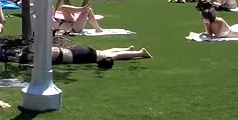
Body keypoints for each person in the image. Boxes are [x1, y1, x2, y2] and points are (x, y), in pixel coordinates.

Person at [19, 43, 151, 68]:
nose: (33, 60)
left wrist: (31, 64)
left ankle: (140, 53)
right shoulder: (44, 50)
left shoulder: (44, 54)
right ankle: (128, 49)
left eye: (32, 57)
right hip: (77, 52)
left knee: (109, 56)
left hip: (80, 55)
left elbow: (40, 64)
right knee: (104, 51)